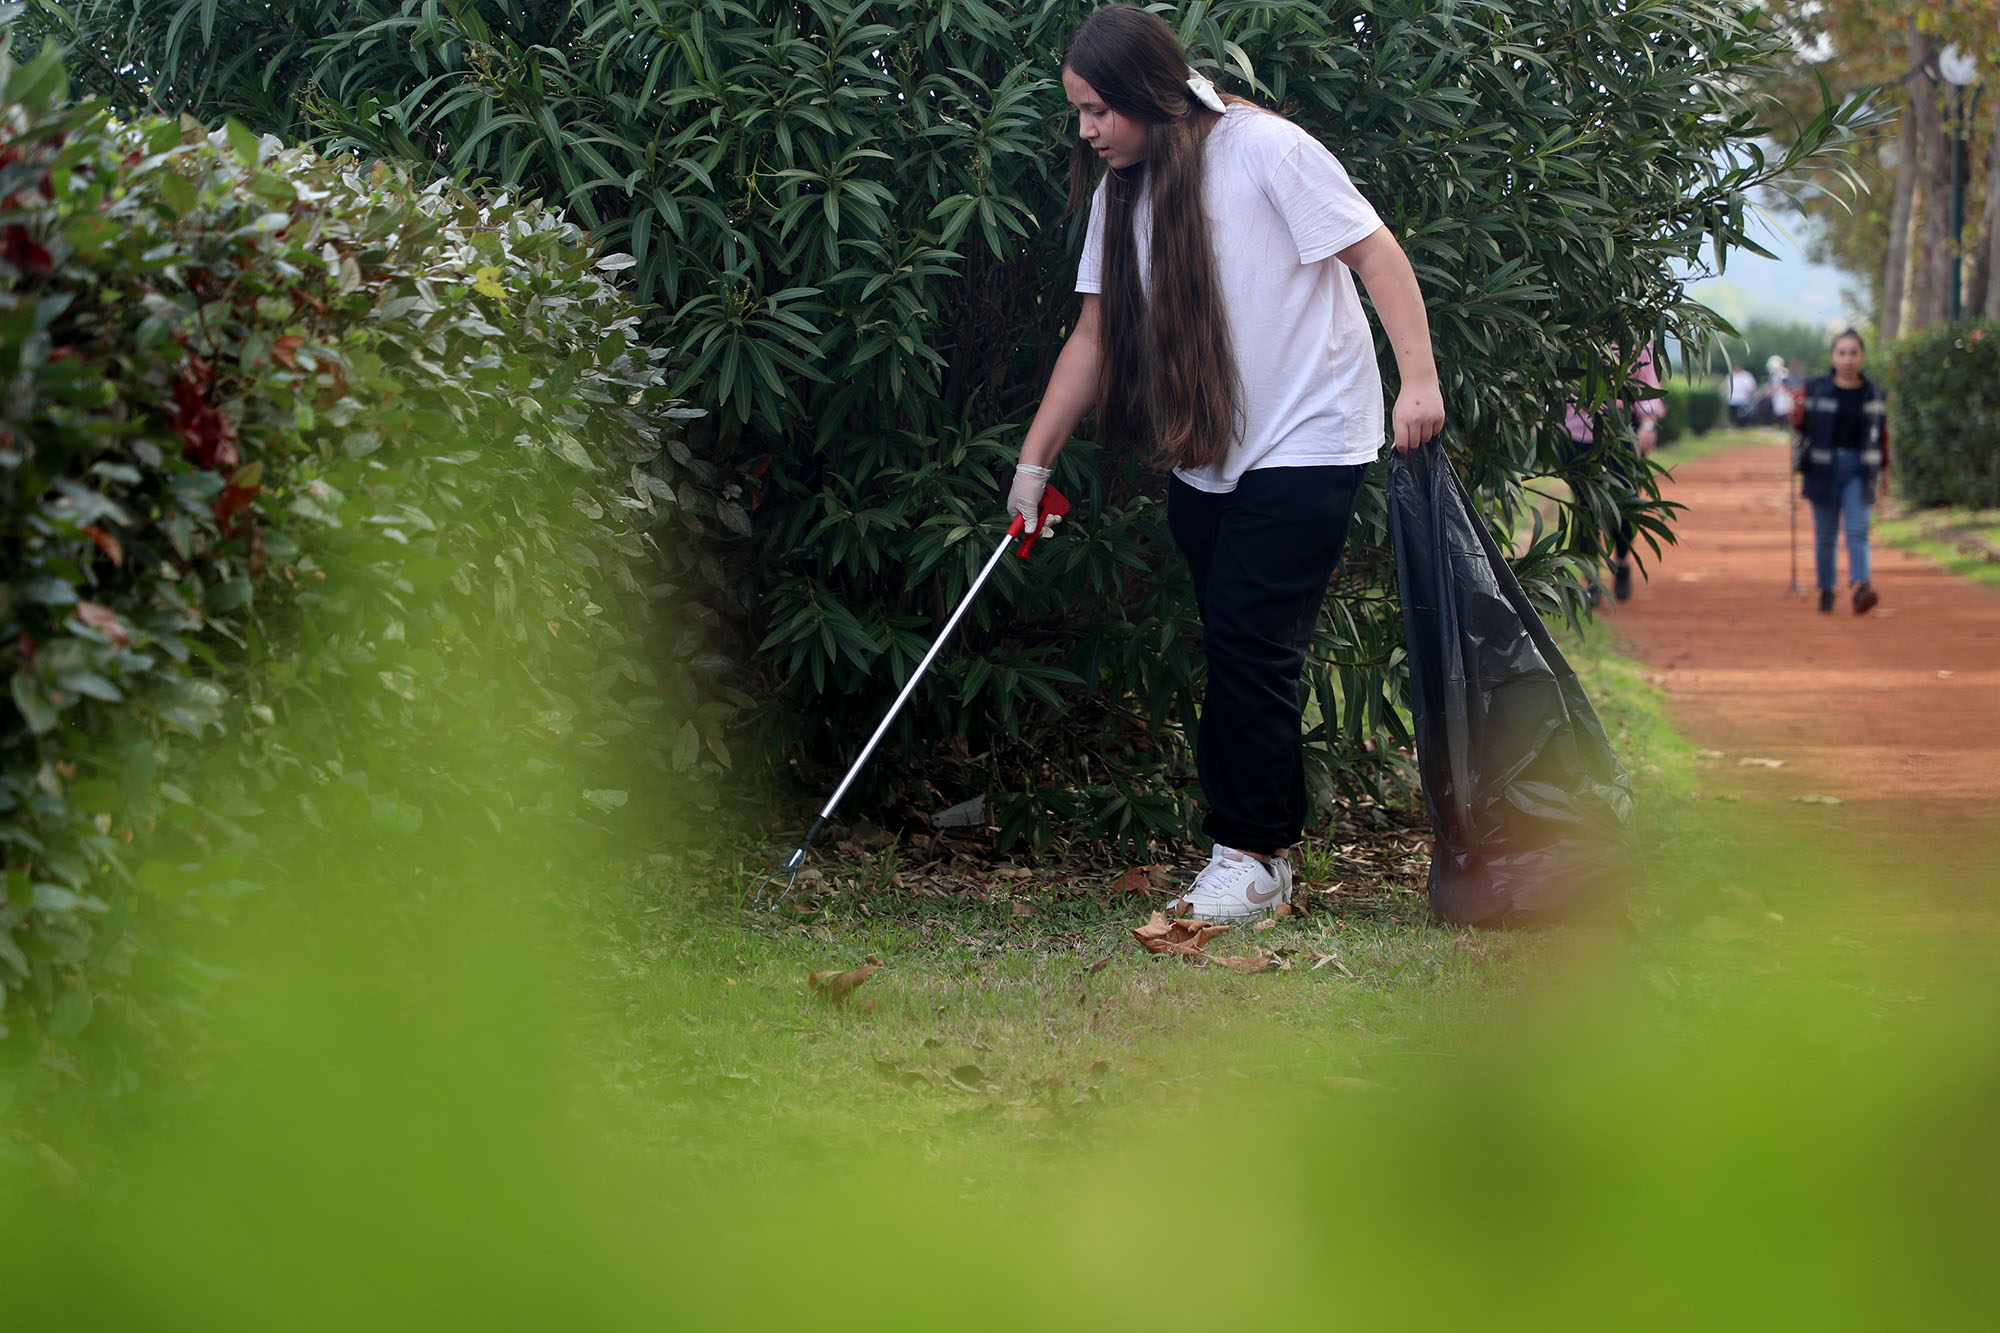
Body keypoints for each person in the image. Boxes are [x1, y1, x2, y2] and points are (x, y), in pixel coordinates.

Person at [1005, 4, 1444, 922]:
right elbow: (1093, 337)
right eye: (1077, 112)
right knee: (1245, 651)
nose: (1087, 130)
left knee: (1249, 636)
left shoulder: (1267, 150)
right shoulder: (1120, 195)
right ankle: (1269, 854)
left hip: (1313, 434)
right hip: (1209, 454)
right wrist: (1033, 463)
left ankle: (1244, 852)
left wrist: (1418, 384)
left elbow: (1375, 253)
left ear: (1149, 92)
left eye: (1098, 110)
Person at [1790, 329, 1888, 615]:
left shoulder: (1874, 393)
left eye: (1853, 352)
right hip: (1823, 468)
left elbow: (1882, 434)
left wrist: (1886, 471)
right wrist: (1795, 415)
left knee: (1857, 531)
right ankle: (1827, 588)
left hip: (1860, 468)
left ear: (1863, 356)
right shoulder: (1817, 388)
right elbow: (1802, 426)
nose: (1847, 359)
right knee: (1826, 534)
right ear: (1833, 356)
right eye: (1842, 352)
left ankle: (1861, 587)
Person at [1562, 345, 1664, 603]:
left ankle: (1621, 559)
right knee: (1586, 507)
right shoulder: (1571, 332)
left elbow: (1648, 386)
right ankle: (1591, 580)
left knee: (1625, 503)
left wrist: (1648, 424)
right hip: (1577, 433)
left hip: (1621, 433)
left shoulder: (1635, 338)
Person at [1727, 362, 1755, 427]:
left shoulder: (1746, 376)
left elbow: (1751, 387)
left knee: (1742, 414)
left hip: (1743, 399)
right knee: (1733, 413)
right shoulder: (1730, 375)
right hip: (1733, 399)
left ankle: (1743, 425)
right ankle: (1734, 424)